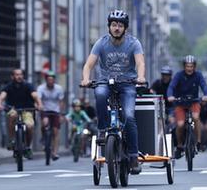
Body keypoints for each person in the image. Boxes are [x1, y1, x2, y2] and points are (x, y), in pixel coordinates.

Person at [80, 9, 145, 174]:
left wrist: (141, 77)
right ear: (109, 27)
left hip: (127, 84)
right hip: (105, 82)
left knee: (129, 117)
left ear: (125, 28)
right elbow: (88, 65)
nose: (117, 28)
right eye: (114, 25)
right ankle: (102, 128)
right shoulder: (101, 43)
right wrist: (86, 79)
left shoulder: (134, 43)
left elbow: (140, 63)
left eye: (120, 25)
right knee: (100, 94)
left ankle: (133, 157)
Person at [167, 55, 207, 159]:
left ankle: (198, 142)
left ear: (194, 67)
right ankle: (180, 146)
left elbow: (204, 86)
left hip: (194, 102)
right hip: (180, 102)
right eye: (187, 66)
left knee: (195, 118)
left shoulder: (198, 75)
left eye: (191, 66)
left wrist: (206, 95)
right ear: (184, 66)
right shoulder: (178, 75)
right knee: (180, 124)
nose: (189, 68)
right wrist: (170, 96)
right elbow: (171, 86)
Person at [0, 68, 43, 159]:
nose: (19, 76)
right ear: (12, 76)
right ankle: (12, 140)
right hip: (13, 109)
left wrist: (39, 104)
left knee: (30, 126)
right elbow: (2, 96)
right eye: (16, 75)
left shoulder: (28, 86)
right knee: (12, 115)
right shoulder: (9, 86)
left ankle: (28, 147)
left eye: (20, 74)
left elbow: (35, 95)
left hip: (27, 110)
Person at [37, 70, 65, 161]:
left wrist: (60, 114)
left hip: (55, 111)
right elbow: (38, 99)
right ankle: (44, 138)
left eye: (52, 79)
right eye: (49, 79)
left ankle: (55, 152)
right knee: (44, 123)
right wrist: (39, 106)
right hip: (44, 110)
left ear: (54, 80)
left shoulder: (59, 88)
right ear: (46, 80)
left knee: (56, 131)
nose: (50, 81)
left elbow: (61, 102)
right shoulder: (41, 88)